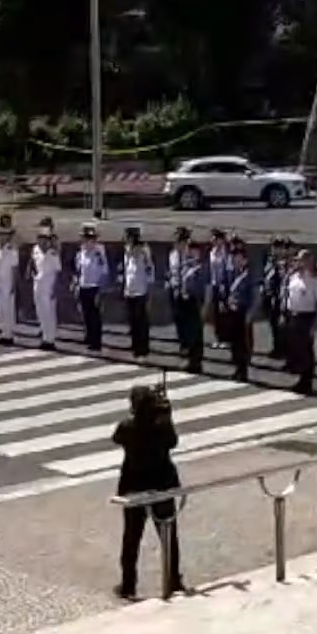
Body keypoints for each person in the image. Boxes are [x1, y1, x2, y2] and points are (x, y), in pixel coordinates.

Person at [111, 384, 183, 600]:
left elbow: (116, 438)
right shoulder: (161, 425)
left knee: (132, 537)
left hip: (134, 486)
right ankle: (174, 579)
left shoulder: (127, 426)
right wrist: (167, 414)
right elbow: (173, 442)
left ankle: (128, 584)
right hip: (161, 484)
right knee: (168, 535)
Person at [281, 250, 317, 394]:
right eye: (298, 260)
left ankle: (307, 381)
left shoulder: (315, 279)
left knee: (306, 352)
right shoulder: (293, 277)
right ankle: (301, 378)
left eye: (302, 260)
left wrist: (315, 325)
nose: (299, 262)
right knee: (296, 349)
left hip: (307, 317)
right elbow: (288, 296)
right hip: (293, 315)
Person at [73, 224, 110, 352]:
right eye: (85, 238)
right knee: (86, 314)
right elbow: (78, 270)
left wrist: (101, 291)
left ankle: (96, 342)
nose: (87, 241)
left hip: (95, 287)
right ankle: (88, 337)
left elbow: (104, 272)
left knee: (95, 316)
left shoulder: (99, 252)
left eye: (90, 238)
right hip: (84, 286)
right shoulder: (81, 252)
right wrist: (76, 284)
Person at [120, 227, 154, 360]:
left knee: (141, 320)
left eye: (128, 238)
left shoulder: (143, 251)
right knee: (132, 320)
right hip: (130, 290)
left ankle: (143, 347)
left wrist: (149, 288)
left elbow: (149, 269)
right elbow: (126, 271)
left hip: (141, 290)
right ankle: (135, 345)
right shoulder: (126, 251)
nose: (126, 241)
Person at [223, 241, 255, 382]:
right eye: (234, 257)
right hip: (233, 312)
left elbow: (256, 297)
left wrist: (250, 314)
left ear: (245, 259)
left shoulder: (249, 276)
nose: (236, 260)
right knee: (235, 343)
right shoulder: (233, 274)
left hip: (243, 312)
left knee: (243, 344)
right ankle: (238, 368)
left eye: (238, 258)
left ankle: (243, 370)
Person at [177, 241, 210, 373]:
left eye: (195, 251)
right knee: (188, 332)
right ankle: (191, 360)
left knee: (196, 334)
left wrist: (206, 305)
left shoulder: (203, 268)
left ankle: (197, 362)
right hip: (185, 302)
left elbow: (207, 287)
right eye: (191, 251)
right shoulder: (186, 266)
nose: (192, 253)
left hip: (197, 301)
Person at [0, 219, 21, 345]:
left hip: (7, 281)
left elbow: (15, 268)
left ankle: (9, 335)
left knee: (8, 308)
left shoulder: (12, 249)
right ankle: (3, 332)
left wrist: (14, 284)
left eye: (4, 234)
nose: (1, 237)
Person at [31, 224, 62, 351]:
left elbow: (58, 271)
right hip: (38, 284)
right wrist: (33, 274)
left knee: (49, 313)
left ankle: (50, 339)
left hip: (49, 286)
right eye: (40, 238)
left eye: (45, 238)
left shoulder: (53, 253)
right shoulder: (35, 250)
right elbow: (33, 264)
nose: (42, 241)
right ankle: (44, 336)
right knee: (40, 312)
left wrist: (55, 288)